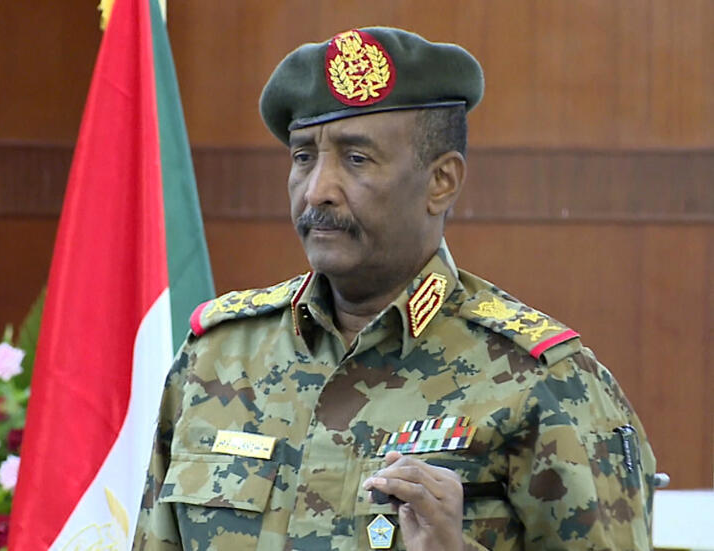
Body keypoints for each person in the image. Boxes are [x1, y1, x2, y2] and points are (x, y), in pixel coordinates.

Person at [133, 27, 656, 550]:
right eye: (303, 157)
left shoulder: (542, 381)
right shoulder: (217, 359)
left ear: (441, 182)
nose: (317, 191)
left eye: (356, 159)